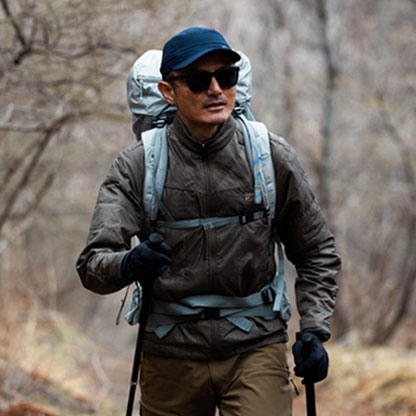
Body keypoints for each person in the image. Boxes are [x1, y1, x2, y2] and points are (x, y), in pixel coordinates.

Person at [76, 27, 341, 416]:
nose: (216, 90)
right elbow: (92, 265)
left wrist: (314, 330)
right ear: (168, 91)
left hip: (255, 345)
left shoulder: (269, 155)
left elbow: (316, 250)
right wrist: (129, 264)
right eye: (199, 81)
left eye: (226, 76)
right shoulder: (138, 166)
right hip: (170, 351)